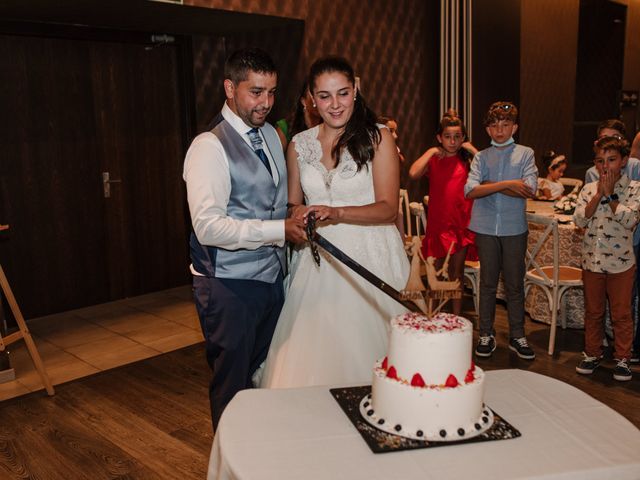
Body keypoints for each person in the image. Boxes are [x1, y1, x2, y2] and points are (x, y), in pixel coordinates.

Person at [259, 56, 410, 388]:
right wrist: (297, 214)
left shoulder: (378, 137)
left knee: (374, 358)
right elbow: (292, 203)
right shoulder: (300, 143)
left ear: (355, 90)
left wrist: (337, 212)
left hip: (370, 257)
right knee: (314, 355)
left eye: (342, 93)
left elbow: (388, 209)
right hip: (316, 264)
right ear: (311, 98)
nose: (335, 104)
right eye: (324, 96)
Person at [183, 47, 306, 430]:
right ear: (229, 88)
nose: (266, 103)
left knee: (261, 374)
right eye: (256, 92)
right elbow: (209, 227)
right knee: (231, 384)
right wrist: (277, 231)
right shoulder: (209, 147)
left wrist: (294, 213)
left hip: (271, 278)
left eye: (271, 92)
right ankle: (228, 463)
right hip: (228, 285)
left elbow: (270, 197)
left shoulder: (270, 134)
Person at [464, 101, 538, 360]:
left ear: (514, 127)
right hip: (484, 227)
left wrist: (489, 184)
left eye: (505, 125)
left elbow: (529, 188)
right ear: (487, 129)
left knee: (515, 285)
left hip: (514, 228)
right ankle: (486, 333)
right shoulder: (481, 157)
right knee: (487, 283)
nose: (499, 131)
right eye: (494, 126)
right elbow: (470, 190)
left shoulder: (525, 153)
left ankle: (518, 335)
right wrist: (508, 184)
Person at [574, 136, 640, 381]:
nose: (605, 166)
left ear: (623, 161)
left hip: (621, 264)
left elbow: (630, 220)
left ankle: (623, 358)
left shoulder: (635, 189)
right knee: (593, 311)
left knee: (622, 313)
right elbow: (580, 220)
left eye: (611, 160)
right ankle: (592, 353)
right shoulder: (588, 189)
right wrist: (598, 195)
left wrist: (611, 196)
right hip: (592, 262)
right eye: (601, 161)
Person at [409, 109, 478, 315]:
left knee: (456, 274)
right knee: (434, 274)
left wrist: (472, 149)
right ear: (440, 137)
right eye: (447, 137)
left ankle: (456, 318)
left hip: (460, 226)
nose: (453, 141)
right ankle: (433, 314)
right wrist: (431, 151)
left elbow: (488, 169)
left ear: (463, 138)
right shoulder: (434, 159)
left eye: (457, 137)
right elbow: (413, 173)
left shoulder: (468, 161)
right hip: (438, 227)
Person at [275, 81, 322, 151]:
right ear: (303, 102)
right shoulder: (285, 128)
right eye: (313, 94)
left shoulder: (330, 128)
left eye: (323, 96)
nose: (319, 101)